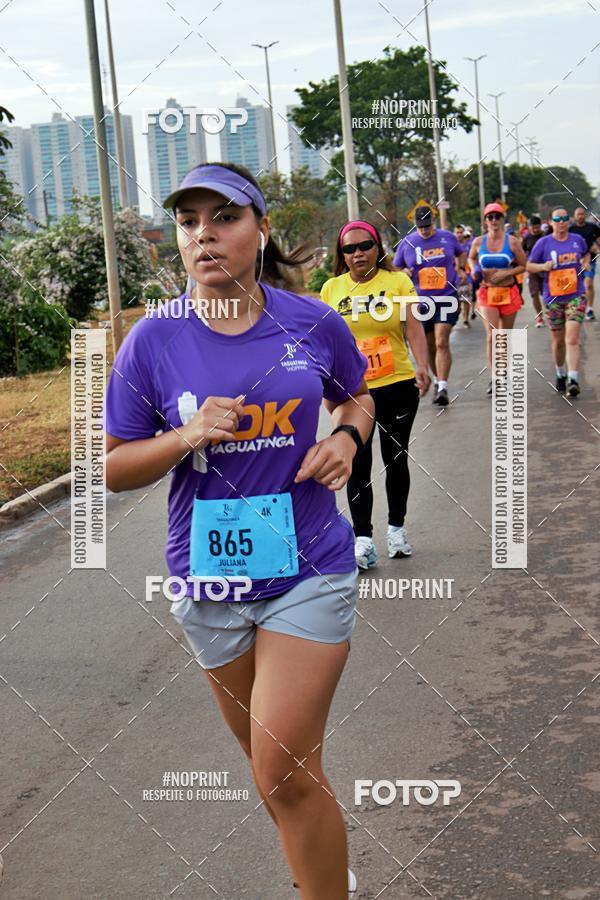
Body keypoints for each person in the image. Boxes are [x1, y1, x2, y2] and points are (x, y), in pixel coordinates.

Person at [105, 162, 375, 899]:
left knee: (280, 766)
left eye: (223, 218)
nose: (204, 235)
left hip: (308, 567)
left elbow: (358, 397)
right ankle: (324, 869)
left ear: (259, 229)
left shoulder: (310, 320)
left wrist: (347, 440)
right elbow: (113, 468)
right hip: (209, 578)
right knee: (278, 774)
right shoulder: (152, 341)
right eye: (189, 222)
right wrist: (185, 434)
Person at [320, 220, 430, 570]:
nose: (358, 254)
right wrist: (324, 386)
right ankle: (362, 540)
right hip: (352, 393)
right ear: (342, 255)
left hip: (397, 383)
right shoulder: (331, 289)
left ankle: (396, 530)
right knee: (357, 462)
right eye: (349, 249)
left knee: (395, 459)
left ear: (377, 248)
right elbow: (324, 343)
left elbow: (413, 326)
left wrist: (424, 366)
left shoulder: (397, 282)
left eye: (365, 245)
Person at [394, 206, 466, 406]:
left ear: (433, 222)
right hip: (421, 301)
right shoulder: (408, 243)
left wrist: (460, 270)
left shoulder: (448, 237)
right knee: (430, 345)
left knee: (442, 340)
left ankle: (443, 386)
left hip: (446, 297)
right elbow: (396, 266)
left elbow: (461, 253)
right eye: (420, 227)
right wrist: (403, 273)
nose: (424, 230)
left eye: (427, 226)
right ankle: (437, 380)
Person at [527, 207, 590, 396]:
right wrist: (543, 266)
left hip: (575, 295)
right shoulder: (543, 243)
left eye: (564, 218)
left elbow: (586, 253)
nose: (561, 222)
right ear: (551, 221)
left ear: (568, 221)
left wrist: (585, 262)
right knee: (558, 341)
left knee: (572, 338)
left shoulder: (577, 241)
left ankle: (573, 379)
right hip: (553, 298)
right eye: (557, 219)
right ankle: (560, 373)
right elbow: (528, 265)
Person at [468, 203, 527, 394]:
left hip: (508, 292)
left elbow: (524, 265)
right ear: (485, 220)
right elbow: (470, 258)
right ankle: (495, 378)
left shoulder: (513, 242)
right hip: (488, 293)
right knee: (492, 336)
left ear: (503, 219)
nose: (494, 220)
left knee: (504, 337)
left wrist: (505, 273)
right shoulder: (478, 242)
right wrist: (475, 268)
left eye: (497, 217)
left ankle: (504, 374)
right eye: (490, 217)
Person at [569, 206, 600, 321]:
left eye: (582, 214)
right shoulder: (571, 229)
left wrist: (596, 248)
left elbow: (598, 242)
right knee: (576, 287)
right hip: (575, 262)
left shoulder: (592, 227)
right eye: (578, 214)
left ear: (585, 215)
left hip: (590, 261)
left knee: (588, 284)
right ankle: (577, 308)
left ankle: (590, 309)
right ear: (574, 216)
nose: (580, 216)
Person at [522, 214, 546, 327]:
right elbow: (521, 253)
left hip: (546, 269)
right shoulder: (526, 238)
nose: (535, 230)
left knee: (546, 294)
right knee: (534, 294)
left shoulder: (546, 236)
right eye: (533, 228)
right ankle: (540, 317)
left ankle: (552, 314)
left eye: (537, 227)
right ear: (529, 227)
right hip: (532, 270)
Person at [454, 223, 474, 327]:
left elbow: (473, 258)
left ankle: (466, 319)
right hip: (454, 278)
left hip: (467, 275)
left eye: (461, 232)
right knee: (457, 301)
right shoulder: (451, 245)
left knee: (466, 299)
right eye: (457, 233)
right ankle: (458, 314)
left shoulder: (469, 245)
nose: (459, 235)